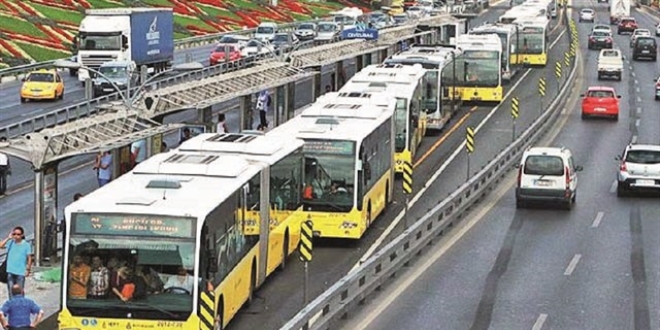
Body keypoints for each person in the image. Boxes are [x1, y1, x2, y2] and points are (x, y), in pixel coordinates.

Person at [0, 227, 32, 298]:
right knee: (11, 292)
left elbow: (29, 258)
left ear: (22, 235)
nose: (16, 236)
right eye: (14, 234)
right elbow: (1, 245)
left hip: (20, 272)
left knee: (20, 292)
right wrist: (8, 238)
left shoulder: (26, 245)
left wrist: (28, 269)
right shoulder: (10, 243)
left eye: (18, 234)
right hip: (10, 271)